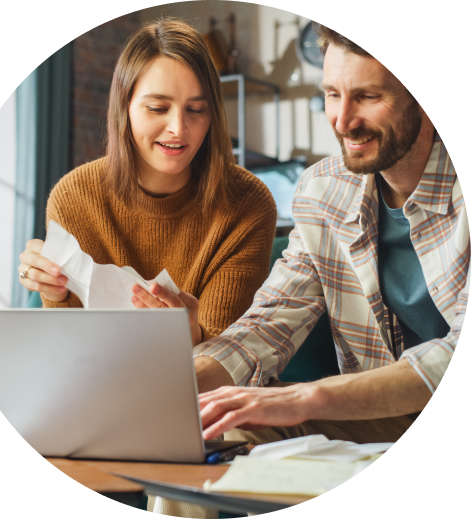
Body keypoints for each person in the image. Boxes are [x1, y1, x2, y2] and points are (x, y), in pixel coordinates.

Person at [195, 23, 469, 445]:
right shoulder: (322, 191)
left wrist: (310, 397)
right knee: (210, 424)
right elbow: (269, 324)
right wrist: (181, 384)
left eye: (368, 96)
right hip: (377, 420)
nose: (342, 121)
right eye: (332, 94)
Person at [17, 18, 276, 355]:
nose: (178, 127)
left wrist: (192, 335)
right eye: (157, 108)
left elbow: (230, 360)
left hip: (206, 394)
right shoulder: (74, 197)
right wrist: (54, 292)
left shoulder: (248, 204)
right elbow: (71, 354)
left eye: (196, 109)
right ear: (124, 107)